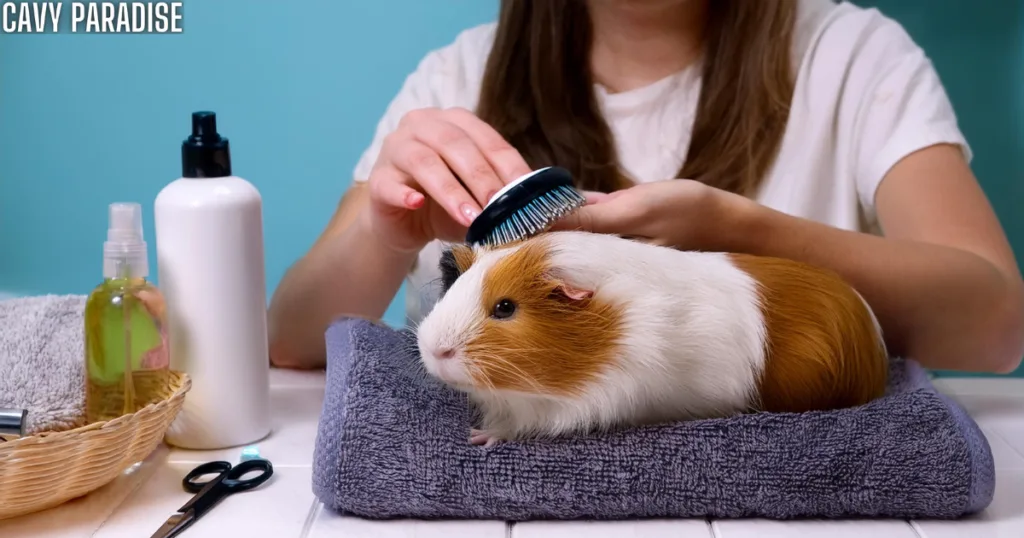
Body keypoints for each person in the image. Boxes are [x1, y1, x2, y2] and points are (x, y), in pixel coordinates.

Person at [267, 0, 1024, 374]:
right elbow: (290, 343)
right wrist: (379, 231)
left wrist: (743, 236)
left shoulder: (855, 58)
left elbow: (997, 326)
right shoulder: (456, 78)